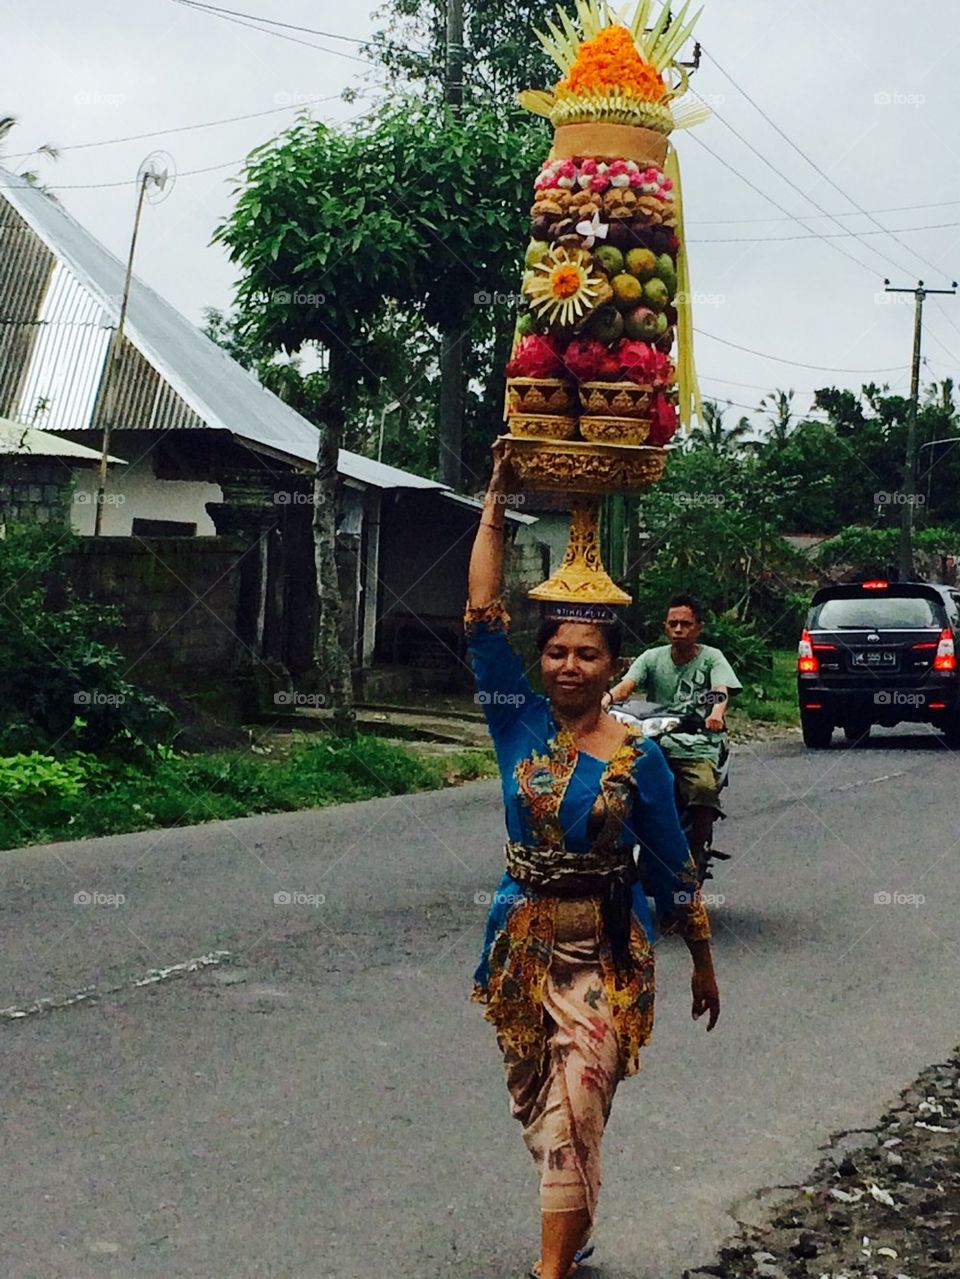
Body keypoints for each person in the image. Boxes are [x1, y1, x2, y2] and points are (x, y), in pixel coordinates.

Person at [467, 442, 719, 1279]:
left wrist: (704, 961)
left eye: (588, 655)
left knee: (579, 1104)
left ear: (614, 668)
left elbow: (675, 865)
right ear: (541, 661)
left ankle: (550, 1271)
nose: (570, 665)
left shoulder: (638, 757)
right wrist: (496, 502)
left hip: (604, 956)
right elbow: (480, 613)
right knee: (539, 1107)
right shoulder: (516, 722)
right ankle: (570, 1231)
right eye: (557, 652)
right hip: (524, 946)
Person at [604, 595, 742, 871]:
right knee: (609, 778)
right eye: (673, 624)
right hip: (653, 740)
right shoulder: (651, 657)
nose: (679, 629)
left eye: (685, 624)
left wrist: (716, 714)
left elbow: (720, 690)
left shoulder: (712, 658)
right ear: (665, 627)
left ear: (698, 628)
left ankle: (694, 857)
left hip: (696, 743)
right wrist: (605, 702)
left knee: (703, 788)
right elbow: (626, 686)